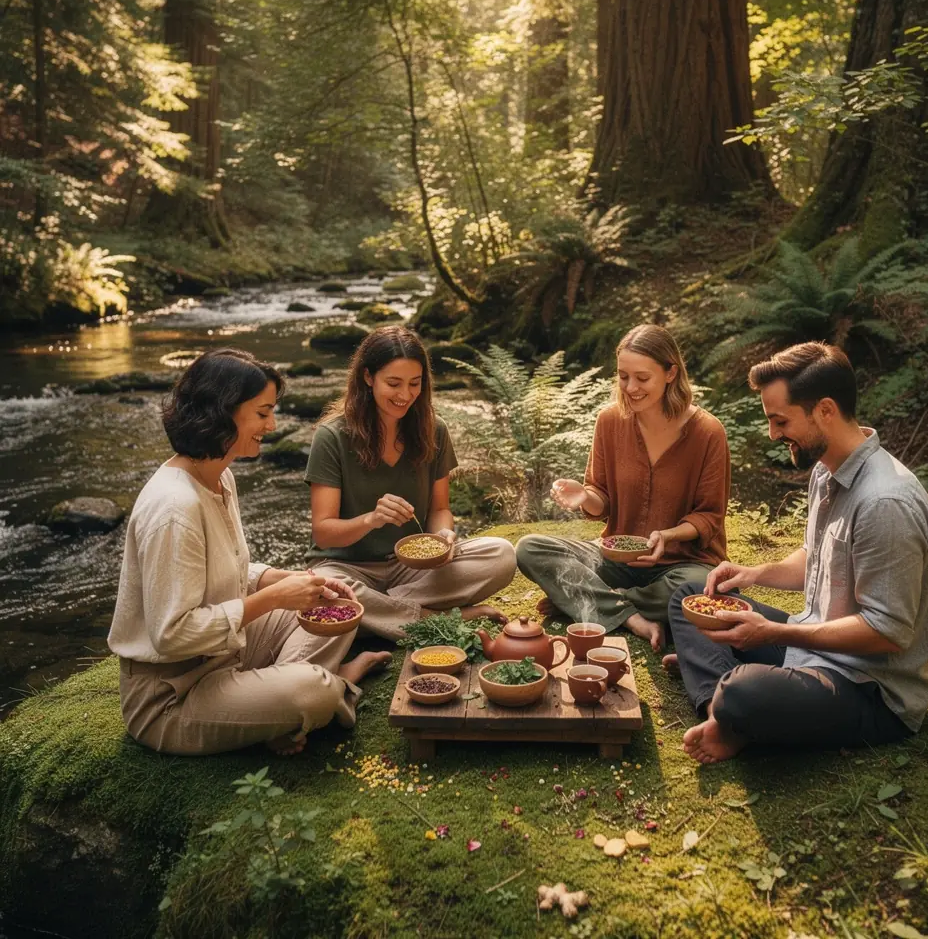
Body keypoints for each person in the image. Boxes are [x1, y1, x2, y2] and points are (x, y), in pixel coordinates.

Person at [666, 342, 928, 764]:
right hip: (814, 648)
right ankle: (721, 714)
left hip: (869, 688)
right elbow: (816, 558)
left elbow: (887, 631)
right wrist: (752, 574)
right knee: (686, 595)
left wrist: (774, 633)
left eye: (780, 421)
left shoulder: (886, 502)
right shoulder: (825, 470)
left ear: (825, 410)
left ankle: (731, 699)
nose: (774, 434)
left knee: (743, 690)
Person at [109, 348, 391, 757]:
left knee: (336, 600)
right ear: (223, 412)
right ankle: (331, 685)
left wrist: (283, 580)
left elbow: (226, 566)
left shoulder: (217, 476)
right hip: (172, 696)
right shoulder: (174, 508)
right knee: (311, 691)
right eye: (262, 413)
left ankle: (269, 710)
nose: (271, 425)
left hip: (225, 655)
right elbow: (171, 636)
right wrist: (273, 599)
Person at [516, 324, 730, 652]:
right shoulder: (610, 421)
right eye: (623, 376)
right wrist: (585, 495)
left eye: (642, 378)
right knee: (531, 548)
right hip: (616, 560)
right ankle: (629, 615)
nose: (631, 387)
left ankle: (588, 601)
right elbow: (602, 499)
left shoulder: (708, 432)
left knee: (702, 586)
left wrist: (668, 536)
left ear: (671, 372)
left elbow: (709, 517)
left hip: (682, 562)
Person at [305, 326, 516, 639]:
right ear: (367, 377)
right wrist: (371, 519)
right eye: (393, 383)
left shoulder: (434, 430)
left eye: (414, 384)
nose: (405, 395)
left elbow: (440, 508)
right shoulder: (332, 436)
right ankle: (436, 617)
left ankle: (376, 617)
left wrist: (444, 536)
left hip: (414, 571)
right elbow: (323, 534)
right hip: (348, 568)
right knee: (330, 588)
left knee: (501, 555)